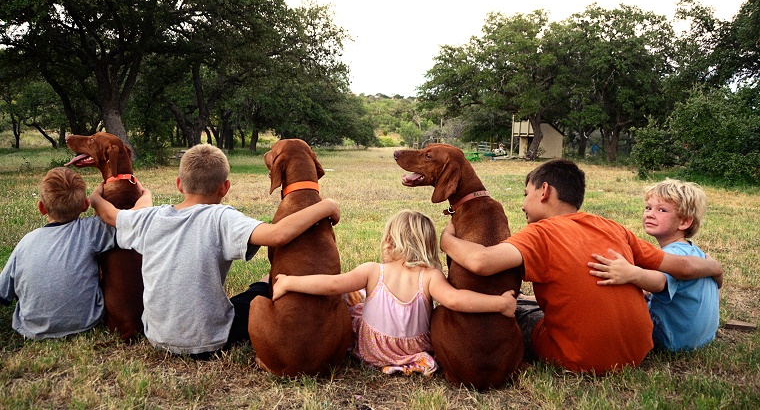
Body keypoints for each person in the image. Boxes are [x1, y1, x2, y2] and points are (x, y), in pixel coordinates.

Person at [439, 159, 722, 373]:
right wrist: (715, 269)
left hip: (580, 359)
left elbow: (480, 262)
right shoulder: (613, 227)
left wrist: (447, 239)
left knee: (521, 315)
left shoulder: (540, 233)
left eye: (526, 194)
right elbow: (683, 267)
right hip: (639, 351)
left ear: (544, 191)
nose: (523, 205)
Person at [90, 144, 341, 359]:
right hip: (209, 342)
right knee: (258, 293)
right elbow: (279, 234)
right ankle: (263, 283)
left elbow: (112, 215)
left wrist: (97, 198)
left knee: (256, 290)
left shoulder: (151, 218)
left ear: (179, 184)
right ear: (225, 188)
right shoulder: (223, 218)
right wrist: (326, 206)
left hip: (156, 336)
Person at [272, 209, 517, 376]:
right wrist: (499, 303)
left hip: (372, 348)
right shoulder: (430, 275)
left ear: (389, 240)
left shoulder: (372, 270)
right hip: (415, 349)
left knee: (349, 293)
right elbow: (454, 300)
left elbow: (332, 284)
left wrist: (289, 282)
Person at [588, 179, 719, 351]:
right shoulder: (694, 252)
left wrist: (630, 273)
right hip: (701, 336)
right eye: (648, 208)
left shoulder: (674, 255)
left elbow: (659, 282)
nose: (650, 214)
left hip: (671, 339)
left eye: (662, 210)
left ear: (684, 222)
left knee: (616, 303)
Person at [0, 167, 121, 339]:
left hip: (31, 328)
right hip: (84, 322)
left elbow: (3, 293)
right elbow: (127, 221)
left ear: (41, 207)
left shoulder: (26, 241)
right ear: (86, 205)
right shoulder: (91, 230)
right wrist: (99, 199)